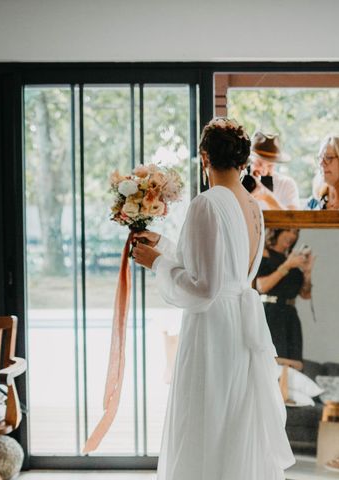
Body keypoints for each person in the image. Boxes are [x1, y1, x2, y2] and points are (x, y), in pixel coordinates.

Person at [131, 118, 295, 480]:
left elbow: (204, 286)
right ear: (243, 160)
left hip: (212, 329)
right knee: (233, 419)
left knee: (204, 418)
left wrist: (157, 262)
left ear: (204, 156)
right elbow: (223, 270)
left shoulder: (206, 203)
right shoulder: (253, 206)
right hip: (240, 325)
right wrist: (166, 245)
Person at [255, 228, 314, 362]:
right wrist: (287, 265)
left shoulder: (293, 259)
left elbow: (305, 295)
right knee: (270, 362)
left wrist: (307, 273)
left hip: (290, 316)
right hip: (270, 313)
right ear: (277, 231)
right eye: (288, 230)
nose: (293, 235)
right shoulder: (265, 253)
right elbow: (262, 286)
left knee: (292, 365)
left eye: (296, 232)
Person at [247, 131, 300, 210]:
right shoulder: (238, 181)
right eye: (258, 163)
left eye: (270, 165)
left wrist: (267, 197)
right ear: (250, 159)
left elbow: (294, 220)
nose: (263, 171)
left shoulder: (286, 184)